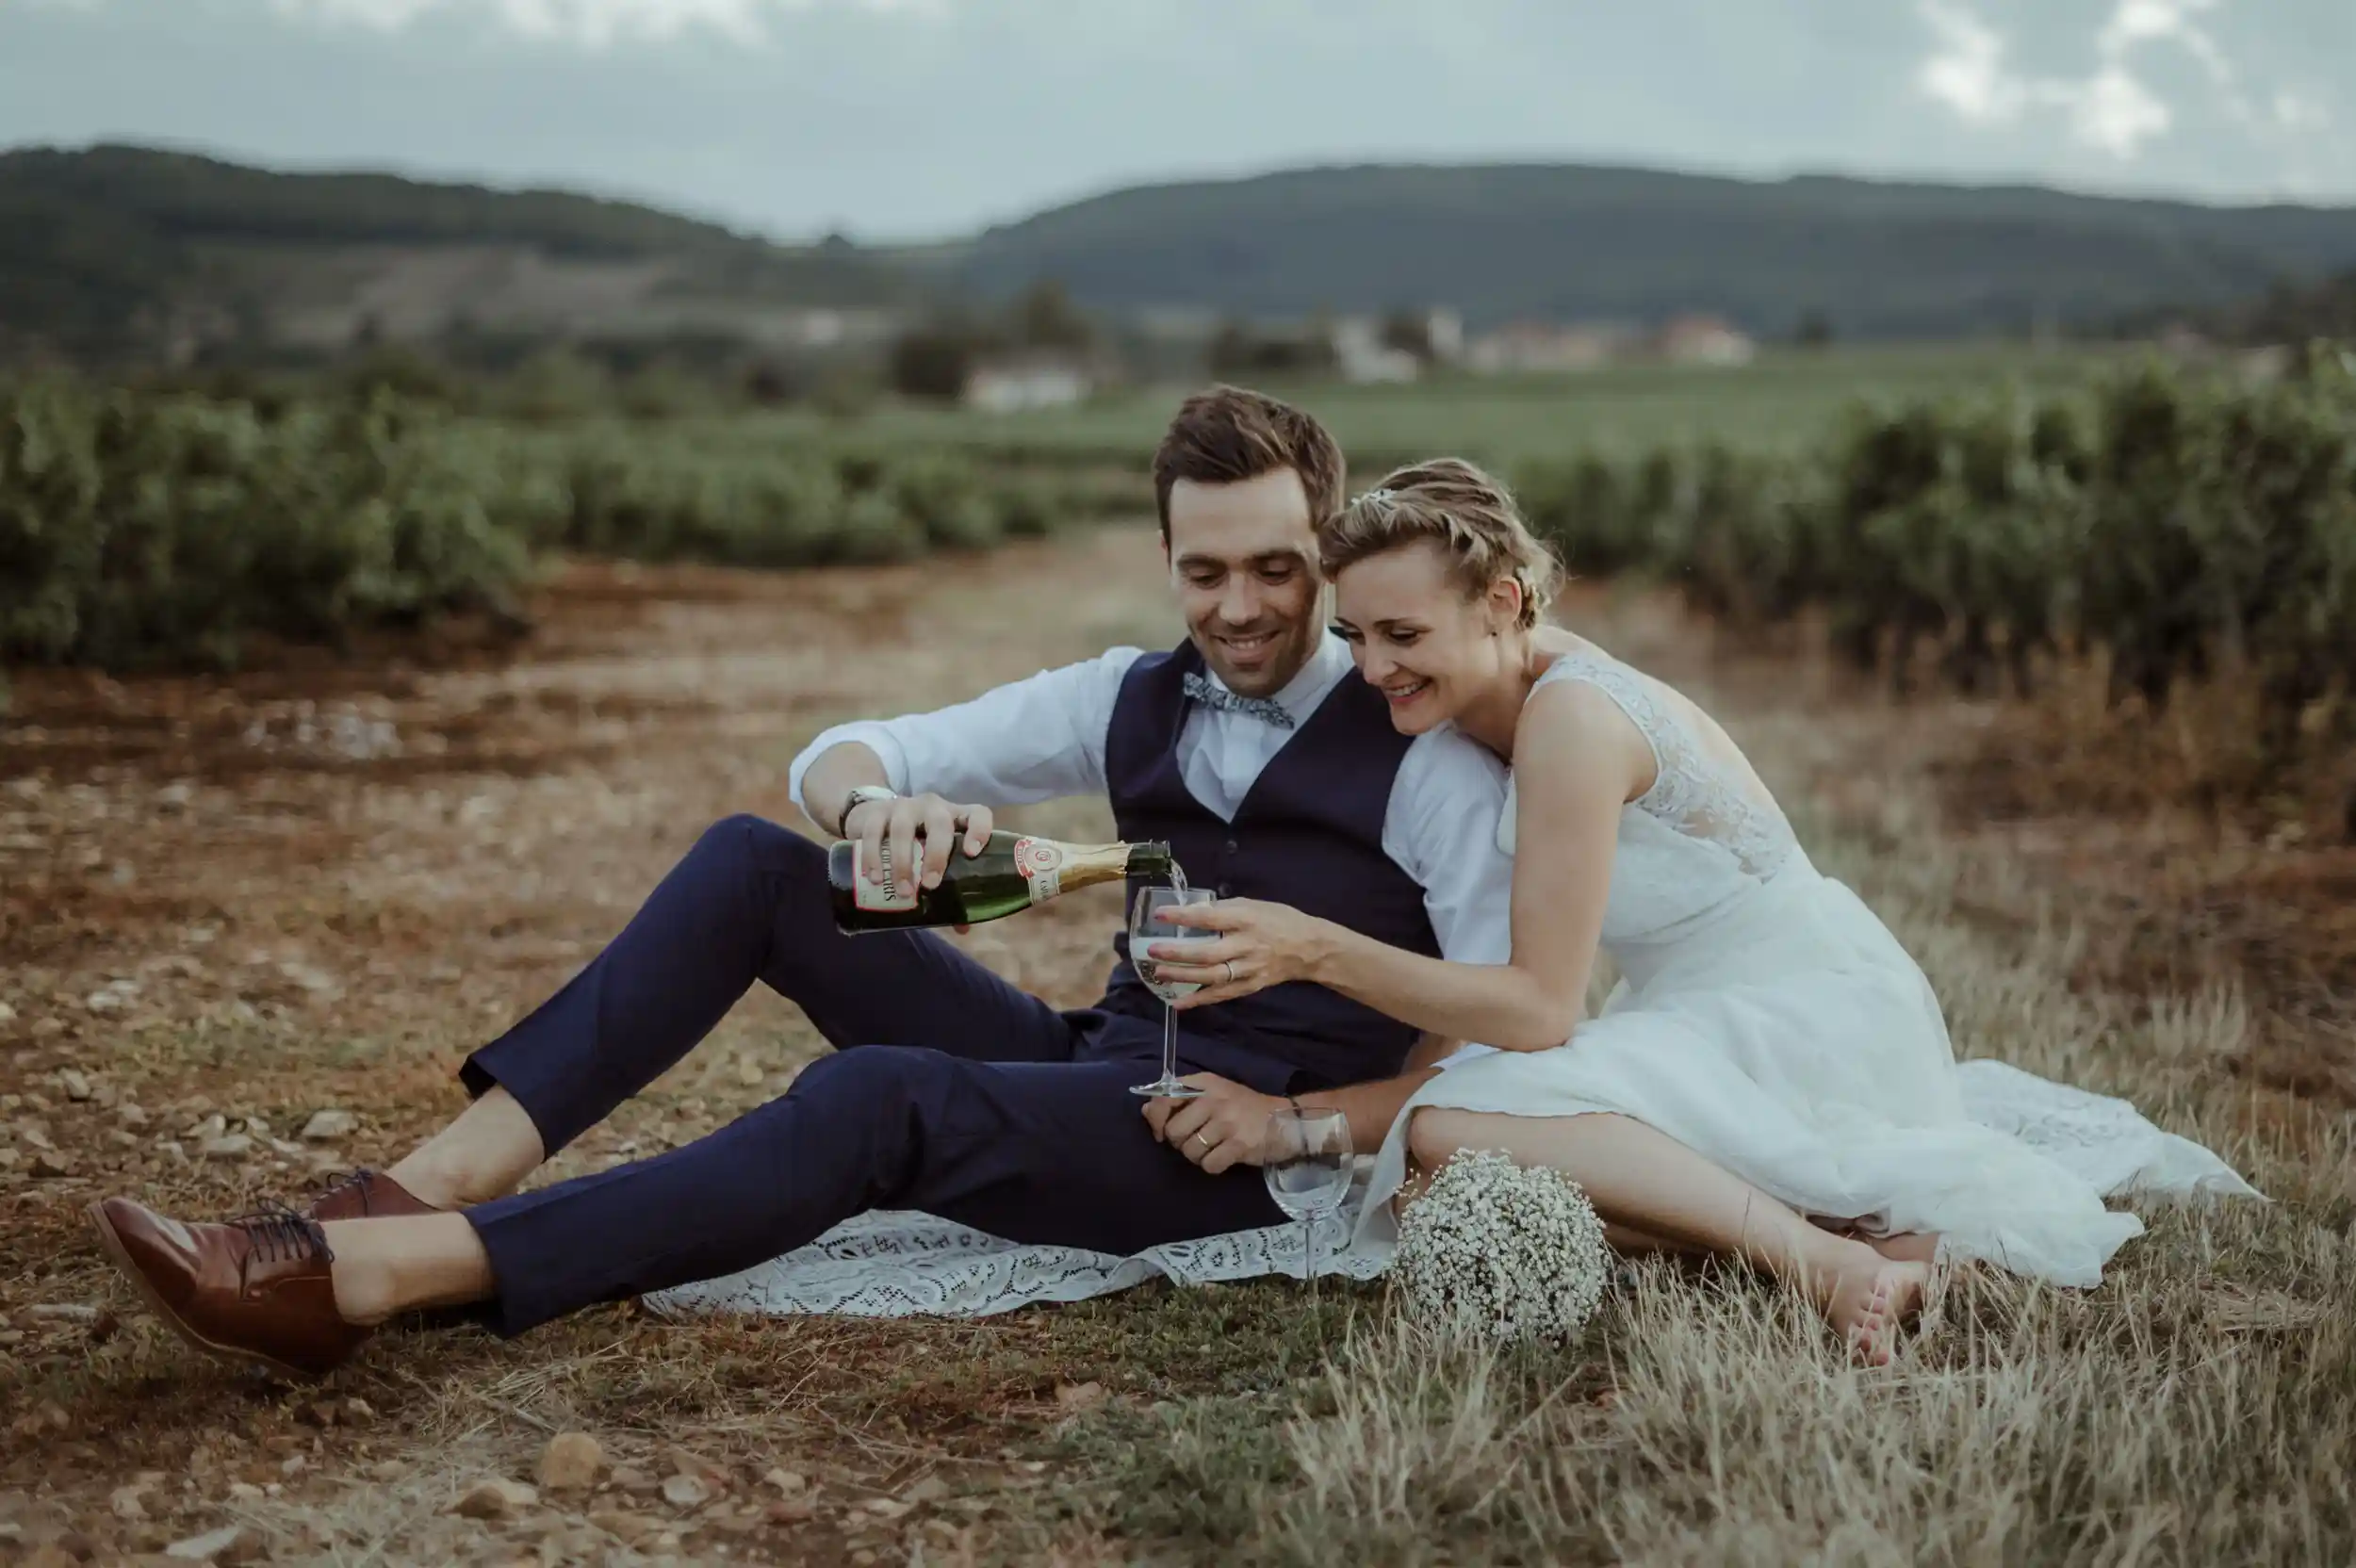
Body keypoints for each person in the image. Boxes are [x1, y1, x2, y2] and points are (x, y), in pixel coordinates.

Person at [83, 388, 1518, 1381]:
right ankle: (420, 1184)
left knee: (876, 1098)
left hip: (1246, 1155)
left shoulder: (1426, 757)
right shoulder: (1128, 693)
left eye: (1277, 568)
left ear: (1326, 554)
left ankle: (378, 1277)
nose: (1242, 607)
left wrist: (1303, 1129)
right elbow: (843, 749)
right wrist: (874, 809)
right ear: (1164, 559)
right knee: (757, 866)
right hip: (1105, 1064)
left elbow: (1511, 1047)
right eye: (1206, 572)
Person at [1146, 457, 2261, 1364]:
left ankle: (1830, 1266)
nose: (1372, 665)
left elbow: (1538, 1009)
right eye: (1355, 635)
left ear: (1501, 601)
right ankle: (1831, 1234)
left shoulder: (1569, 719)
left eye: (1402, 636)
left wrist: (1311, 949)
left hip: (1799, 1012)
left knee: (1442, 1132)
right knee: (1449, 1186)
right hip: (1712, 1005)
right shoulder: (1492, 692)